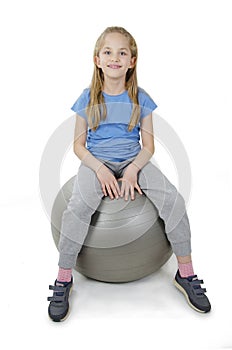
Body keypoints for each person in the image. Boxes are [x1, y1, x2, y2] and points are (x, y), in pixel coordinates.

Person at [47, 26, 211, 322]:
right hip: (95, 162)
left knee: (173, 200)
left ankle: (186, 273)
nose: (115, 58)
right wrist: (99, 169)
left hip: (135, 160)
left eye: (122, 52)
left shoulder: (141, 99)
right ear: (97, 59)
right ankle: (63, 278)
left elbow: (148, 146)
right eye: (108, 52)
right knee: (78, 208)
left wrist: (134, 168)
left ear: (132, 61)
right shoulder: (87, 99)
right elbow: (77, 146)